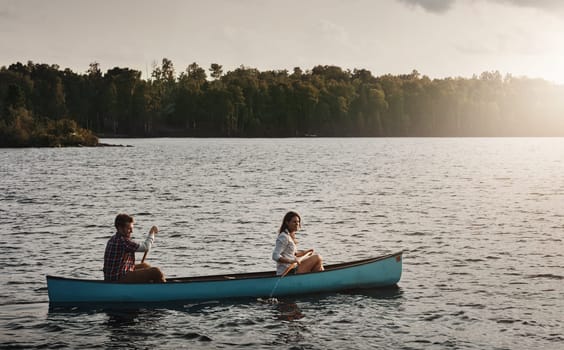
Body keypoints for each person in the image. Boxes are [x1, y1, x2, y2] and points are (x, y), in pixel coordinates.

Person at [103, 213, 166, 283]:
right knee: (155, 272)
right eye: (129, 229)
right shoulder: (123, 241)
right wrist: (152, 233)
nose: (132, 231)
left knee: (145, 266)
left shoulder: (114, 238)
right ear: (120, 228)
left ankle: (150, 286)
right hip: (118, 278)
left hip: (113, 275)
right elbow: (146, 247)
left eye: (132, 228)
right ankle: (165, 289)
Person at [272, 211, 324, 276]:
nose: (297, 224)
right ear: (287, 223)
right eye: (294, 222)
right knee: (317, 257)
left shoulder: (290, 236)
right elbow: (275, 256)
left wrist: (305, 252)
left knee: (318, 263)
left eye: (298, 222)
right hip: (288, 271)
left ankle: (318, 280)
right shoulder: (283, 237)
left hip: (294, 267)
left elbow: (294, 254)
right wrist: (290, 261)